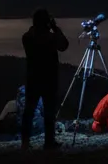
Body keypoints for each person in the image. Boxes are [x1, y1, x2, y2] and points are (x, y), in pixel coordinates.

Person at [21, 8, 69, 150]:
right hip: (49, 79)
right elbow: (64, 45)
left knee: (29, 111)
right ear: (46, 22)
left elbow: (32, 34)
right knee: (49, 111)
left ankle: (25, 142)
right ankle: (49, 142)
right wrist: (55, 28)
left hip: (33, 78)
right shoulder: (50, 37)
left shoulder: (27, 37)